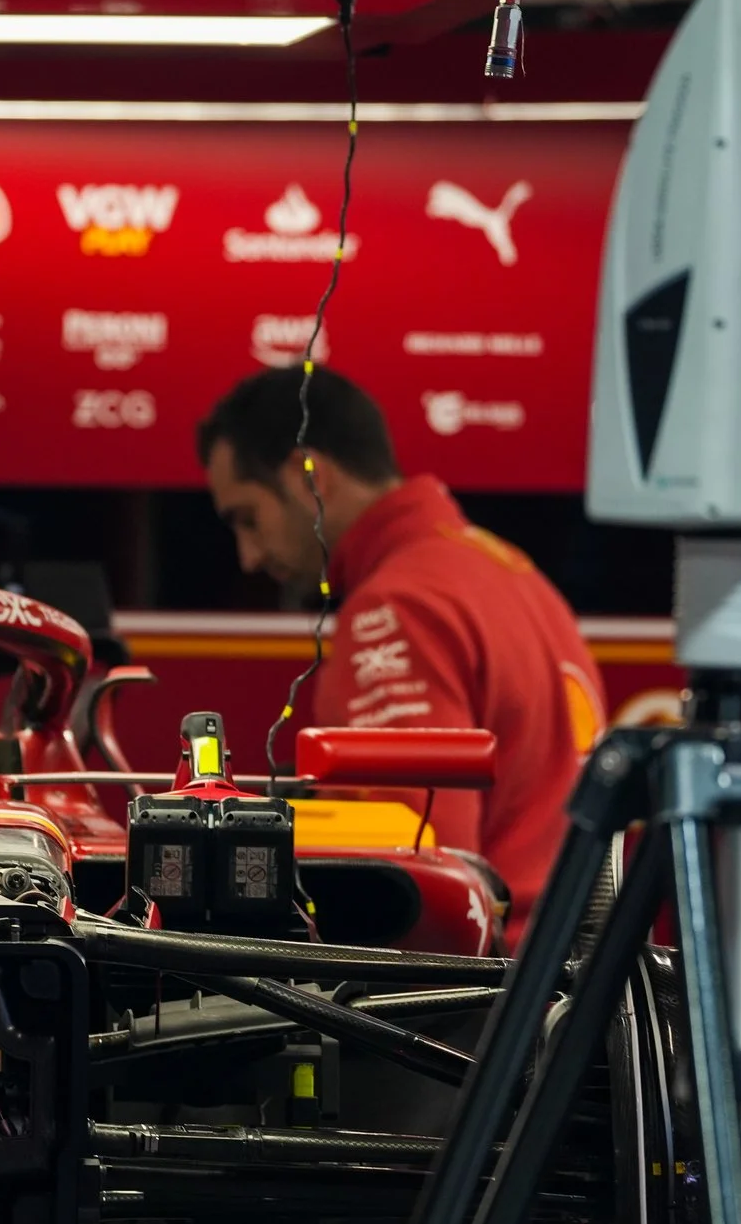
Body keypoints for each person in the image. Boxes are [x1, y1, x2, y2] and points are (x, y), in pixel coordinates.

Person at [197, 364, 606, 947]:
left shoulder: (396, 609)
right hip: (559, 985)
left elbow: (409, 887)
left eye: (247, 518)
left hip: (486, 1004)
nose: (247, 556)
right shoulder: (507, 570)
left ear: (308, 474)